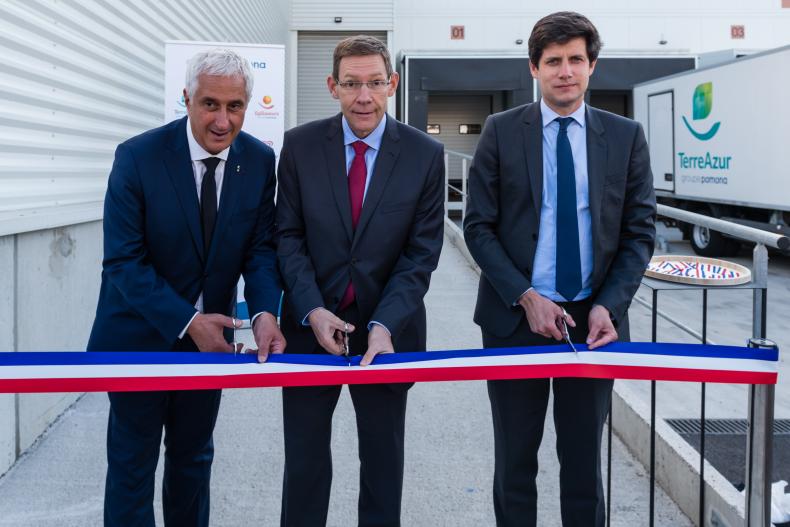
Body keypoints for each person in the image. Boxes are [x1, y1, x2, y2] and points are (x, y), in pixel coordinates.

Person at [463, 12, 656, 527]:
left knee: (584, 466)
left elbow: (639, 232)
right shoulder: (501, 132)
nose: (565, 71)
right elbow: (477, 227)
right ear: (534, 68)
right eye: (553, 61)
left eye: (575, 59)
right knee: (515, 462)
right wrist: (526, 295)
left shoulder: (625, 136)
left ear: (592, 66)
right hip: (513, 321)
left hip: (593, 325)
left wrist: (609, 306)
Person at [87, 48, 285, 526]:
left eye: (234, 106)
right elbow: (122, 261)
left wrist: (264, 314)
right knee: (133, 469)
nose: (222, 120)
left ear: (247, 105)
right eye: (209, 104)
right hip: (137, 339)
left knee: (193, 462)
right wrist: (189, 321)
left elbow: (260, 251)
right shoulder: (138, 156)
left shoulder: (258, 161)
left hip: (209, 347)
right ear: (186, 100)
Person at [275, 35, 445, 527]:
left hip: (388, 336)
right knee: (304, 468)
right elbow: (288, 236)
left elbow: (420, 255)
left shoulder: (423, 154)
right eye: (351, 84)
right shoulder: (301, 146)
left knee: (383, 467)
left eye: (374, 83)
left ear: (391, 84)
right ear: (333, 86)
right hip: (311, 332)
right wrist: (310, 307)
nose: (363, 96)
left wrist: (385, 323)